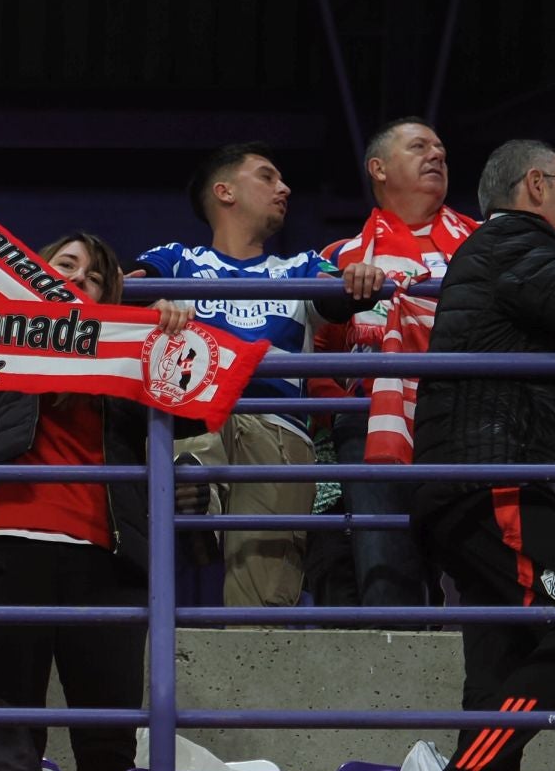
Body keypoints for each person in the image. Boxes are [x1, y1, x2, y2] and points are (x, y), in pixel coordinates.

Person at [0, 233, 195, 771]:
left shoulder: (130, 350)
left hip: (107, 562)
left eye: (94, 277)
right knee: (6, 730)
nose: (77, 281)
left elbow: (193, 410)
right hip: (7, 551)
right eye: (64, 267)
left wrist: (173, 338)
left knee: (108, 736)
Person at [406, 140, 555, 771]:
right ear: (536, 186)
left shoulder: (511, 253)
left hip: (478, 482)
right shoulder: (515, 242)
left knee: (499, 668)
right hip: (502, 476)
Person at [138, 144, 385, 608]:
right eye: (267, 177)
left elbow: (339, 297)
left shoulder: (302, 267)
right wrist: (150, 303)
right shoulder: (176, 260)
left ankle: (197, 506)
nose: (284, 188)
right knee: (195, 402)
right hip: (203, 415)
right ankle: (197, 500)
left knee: (262, 603)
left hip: (280, 431)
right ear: (225, 191)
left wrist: (361, 281)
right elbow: (120, 289)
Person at [315, 119, 476, 609]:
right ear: (378, 168)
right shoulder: (339, 257)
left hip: (465, 413)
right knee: (385, 560)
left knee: (479, 558)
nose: (437, 155)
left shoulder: (483, 242)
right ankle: (395, 636)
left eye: (442, 149)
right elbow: (319, 359)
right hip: (372, 419)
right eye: (420, 146)